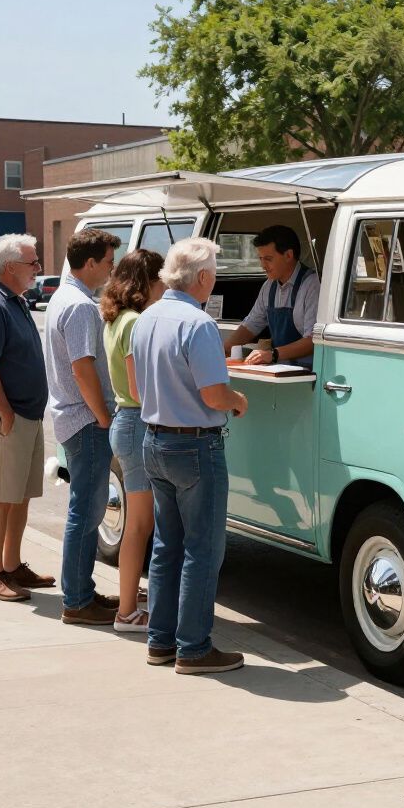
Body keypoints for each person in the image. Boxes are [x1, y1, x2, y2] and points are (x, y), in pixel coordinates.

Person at [131, 237, 248, 674]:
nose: (215, 280)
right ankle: (194, 648)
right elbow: (215, 393)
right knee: (203, 550)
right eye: (214, 273)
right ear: (202, 278)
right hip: (195, 444)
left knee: (167, 546)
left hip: (155, 439)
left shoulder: (147, 318)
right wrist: (238, 401)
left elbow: (139, 387)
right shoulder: (197, 324)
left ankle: (161, 641)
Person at [0, 234, 53, 602]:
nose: (38, 269)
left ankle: (13, 565)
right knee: (1, 497)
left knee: (19, 497)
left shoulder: (15, 301)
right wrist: (4, 414)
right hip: (9, 418)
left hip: (27, 416)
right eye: (32, 263)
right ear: (9, 268)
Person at [44, 228, 121, 625]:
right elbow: (82, 367)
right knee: (86, 513)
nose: (111, 270)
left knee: (86, 511)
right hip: (86, 421)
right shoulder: (78, 306)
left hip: (76, 419)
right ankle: (76, 601)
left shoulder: (66, 297)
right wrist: (104, 416)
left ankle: (82, 592)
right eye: (108, 263)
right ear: (89, 263)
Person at [101, 248, 166, 633]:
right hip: (137, 422)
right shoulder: (134, 323)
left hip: (125, 422)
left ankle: (129, 604)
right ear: (146, 282)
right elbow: (141, 389)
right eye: (161, 281)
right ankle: (127, 612)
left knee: (138, 525)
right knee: (141, 526)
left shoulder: (116, 318)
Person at [222, 225, 319, 369]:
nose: (263, 265)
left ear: (288, 255)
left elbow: (314, 341)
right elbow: (251, 325)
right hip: (280, 368)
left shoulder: (312, 284)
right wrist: (223, 349)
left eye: (268, 259)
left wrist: (272, 354)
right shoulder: (269, 286)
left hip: (308, 372)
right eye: (260, 259)